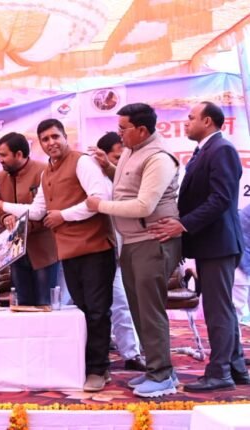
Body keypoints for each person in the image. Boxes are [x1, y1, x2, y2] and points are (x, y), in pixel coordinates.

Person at [0, 119, 116, 392]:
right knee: (82, 310)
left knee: (97, 310)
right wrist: (2, 205)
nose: (51, 143)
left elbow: (98, 200)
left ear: (65, 137)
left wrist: (63, 215)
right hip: (68, 249)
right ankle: (89, 365)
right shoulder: (48, 172)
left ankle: (98, 369)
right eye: (45, 139)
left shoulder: (82, 162)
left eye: (55, 136)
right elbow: (38, 210)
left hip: (95, 247)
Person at [150, 101, 250, 392]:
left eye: (191, 117)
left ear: (207, 121)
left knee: (218, 310)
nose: (186, 122)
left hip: (219, 244)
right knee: (221, 308)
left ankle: (219, 372)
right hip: (210, 244)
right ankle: (235, 366)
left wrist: (183, 225)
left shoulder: (222, 150)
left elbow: (220, 199)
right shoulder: (204, 150)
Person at [86, 103, 181, 397]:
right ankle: (155, 367)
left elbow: (143, 205)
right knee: (138, 308)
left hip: (152, 240)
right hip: (131, 241)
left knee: (150, 310)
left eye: (122, 128)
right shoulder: (131, 149)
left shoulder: (159, 158)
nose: (118, 133)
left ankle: (162, 375)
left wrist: (100, 205)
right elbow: (128, 184)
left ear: (141, 129)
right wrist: (108, 167)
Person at [93, 132, 146, 373]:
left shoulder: (127, 179)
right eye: (116, 157)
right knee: (76, 306)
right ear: (101, 156)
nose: (120, 162)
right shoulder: (88, 177)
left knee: (122, 304)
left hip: (118, 252)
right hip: (89, 252)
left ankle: (131, 354)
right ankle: (84, 356)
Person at [0, 132, 58, 306]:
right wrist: (5, 217)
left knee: (46, 305)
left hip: (43, 251)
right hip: (15, 252)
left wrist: (23, 225)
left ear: (19, 154)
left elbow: (50, 210)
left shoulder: (44, 171)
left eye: (3, 155)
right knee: (22, 306)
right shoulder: (0, 177)